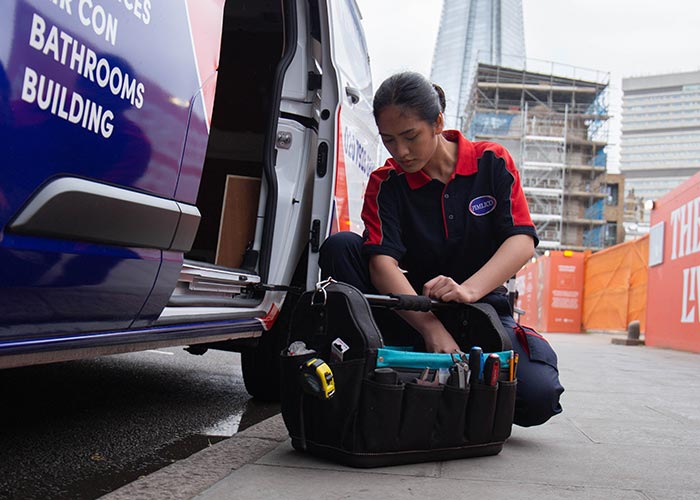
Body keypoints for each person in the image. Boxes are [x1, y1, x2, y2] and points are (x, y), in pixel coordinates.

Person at [319, 71, 563, 427]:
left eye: (410, 137)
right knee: (342, 246)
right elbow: (381, 264)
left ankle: (443, 389)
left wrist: (468, 290)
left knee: (537, 399)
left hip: (479, 312)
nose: (400, 151)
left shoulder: (491, 162)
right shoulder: (386, 183)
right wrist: (431, 328)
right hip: (410, 314)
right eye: (388, 140)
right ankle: (377, 360)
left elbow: (522, 241)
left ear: (437, 123)